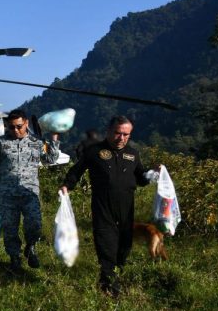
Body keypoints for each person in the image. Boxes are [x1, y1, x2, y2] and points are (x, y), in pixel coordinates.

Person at [61, 116, 157, 296]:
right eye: (118, 133)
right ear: (109, 131)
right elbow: (76, 171)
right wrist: (67, 185)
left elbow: (142, 178)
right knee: (107, 244)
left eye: (126, 134)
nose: (121, 138)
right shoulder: (94, 151)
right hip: (103, 207)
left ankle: (116, 273)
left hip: (126, 208)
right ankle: (108, 283)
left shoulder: (133, 154)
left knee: (124, 246)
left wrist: (154, 174)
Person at [0, 110, 60, 271]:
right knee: (10, 228)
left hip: (29, 192)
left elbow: (50, 160)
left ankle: (30, 247)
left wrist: (54, 138)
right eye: (11, 127)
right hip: (7, 194)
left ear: (26, 124)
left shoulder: (36, 142)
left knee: (35, 224)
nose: (15, 130)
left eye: (19, 126)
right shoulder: (1, 142)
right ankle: (14, 258)